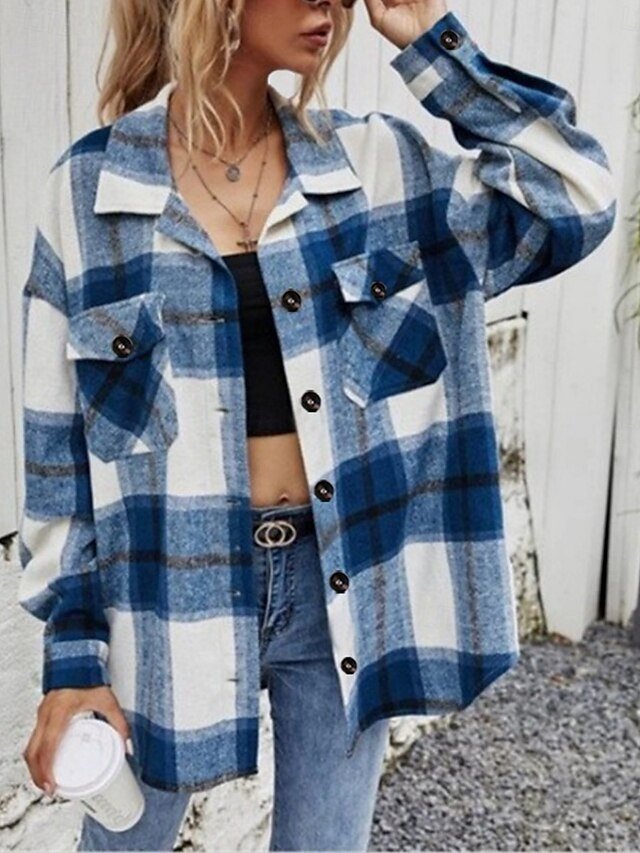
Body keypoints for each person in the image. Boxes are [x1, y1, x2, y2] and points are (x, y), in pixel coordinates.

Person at [17, 0, 616, 850]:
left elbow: (577, 195)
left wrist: (431, 43)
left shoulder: (379, 169)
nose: (331, 4)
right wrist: (73, 656)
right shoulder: (89, 193)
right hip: (161, 594)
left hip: (341, 579)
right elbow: (58, 464)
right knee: (123, 840)